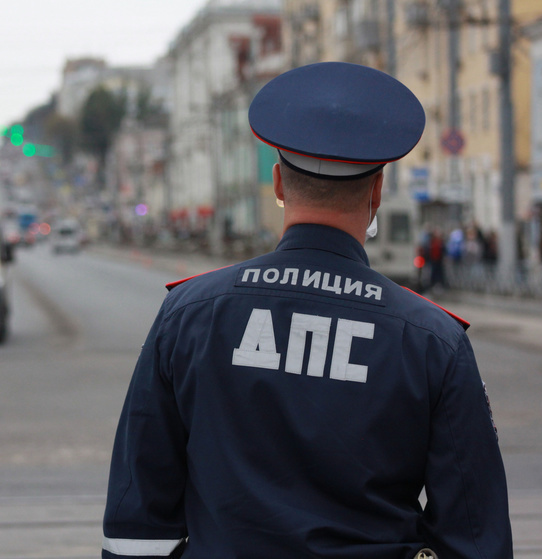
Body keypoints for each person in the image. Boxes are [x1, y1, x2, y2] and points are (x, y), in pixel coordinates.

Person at [101, 62, 512, 559]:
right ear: (377, 191)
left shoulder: (189, 312)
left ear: (278, 184)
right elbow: (474, 536)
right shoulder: (431, 338)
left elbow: (137, 520)